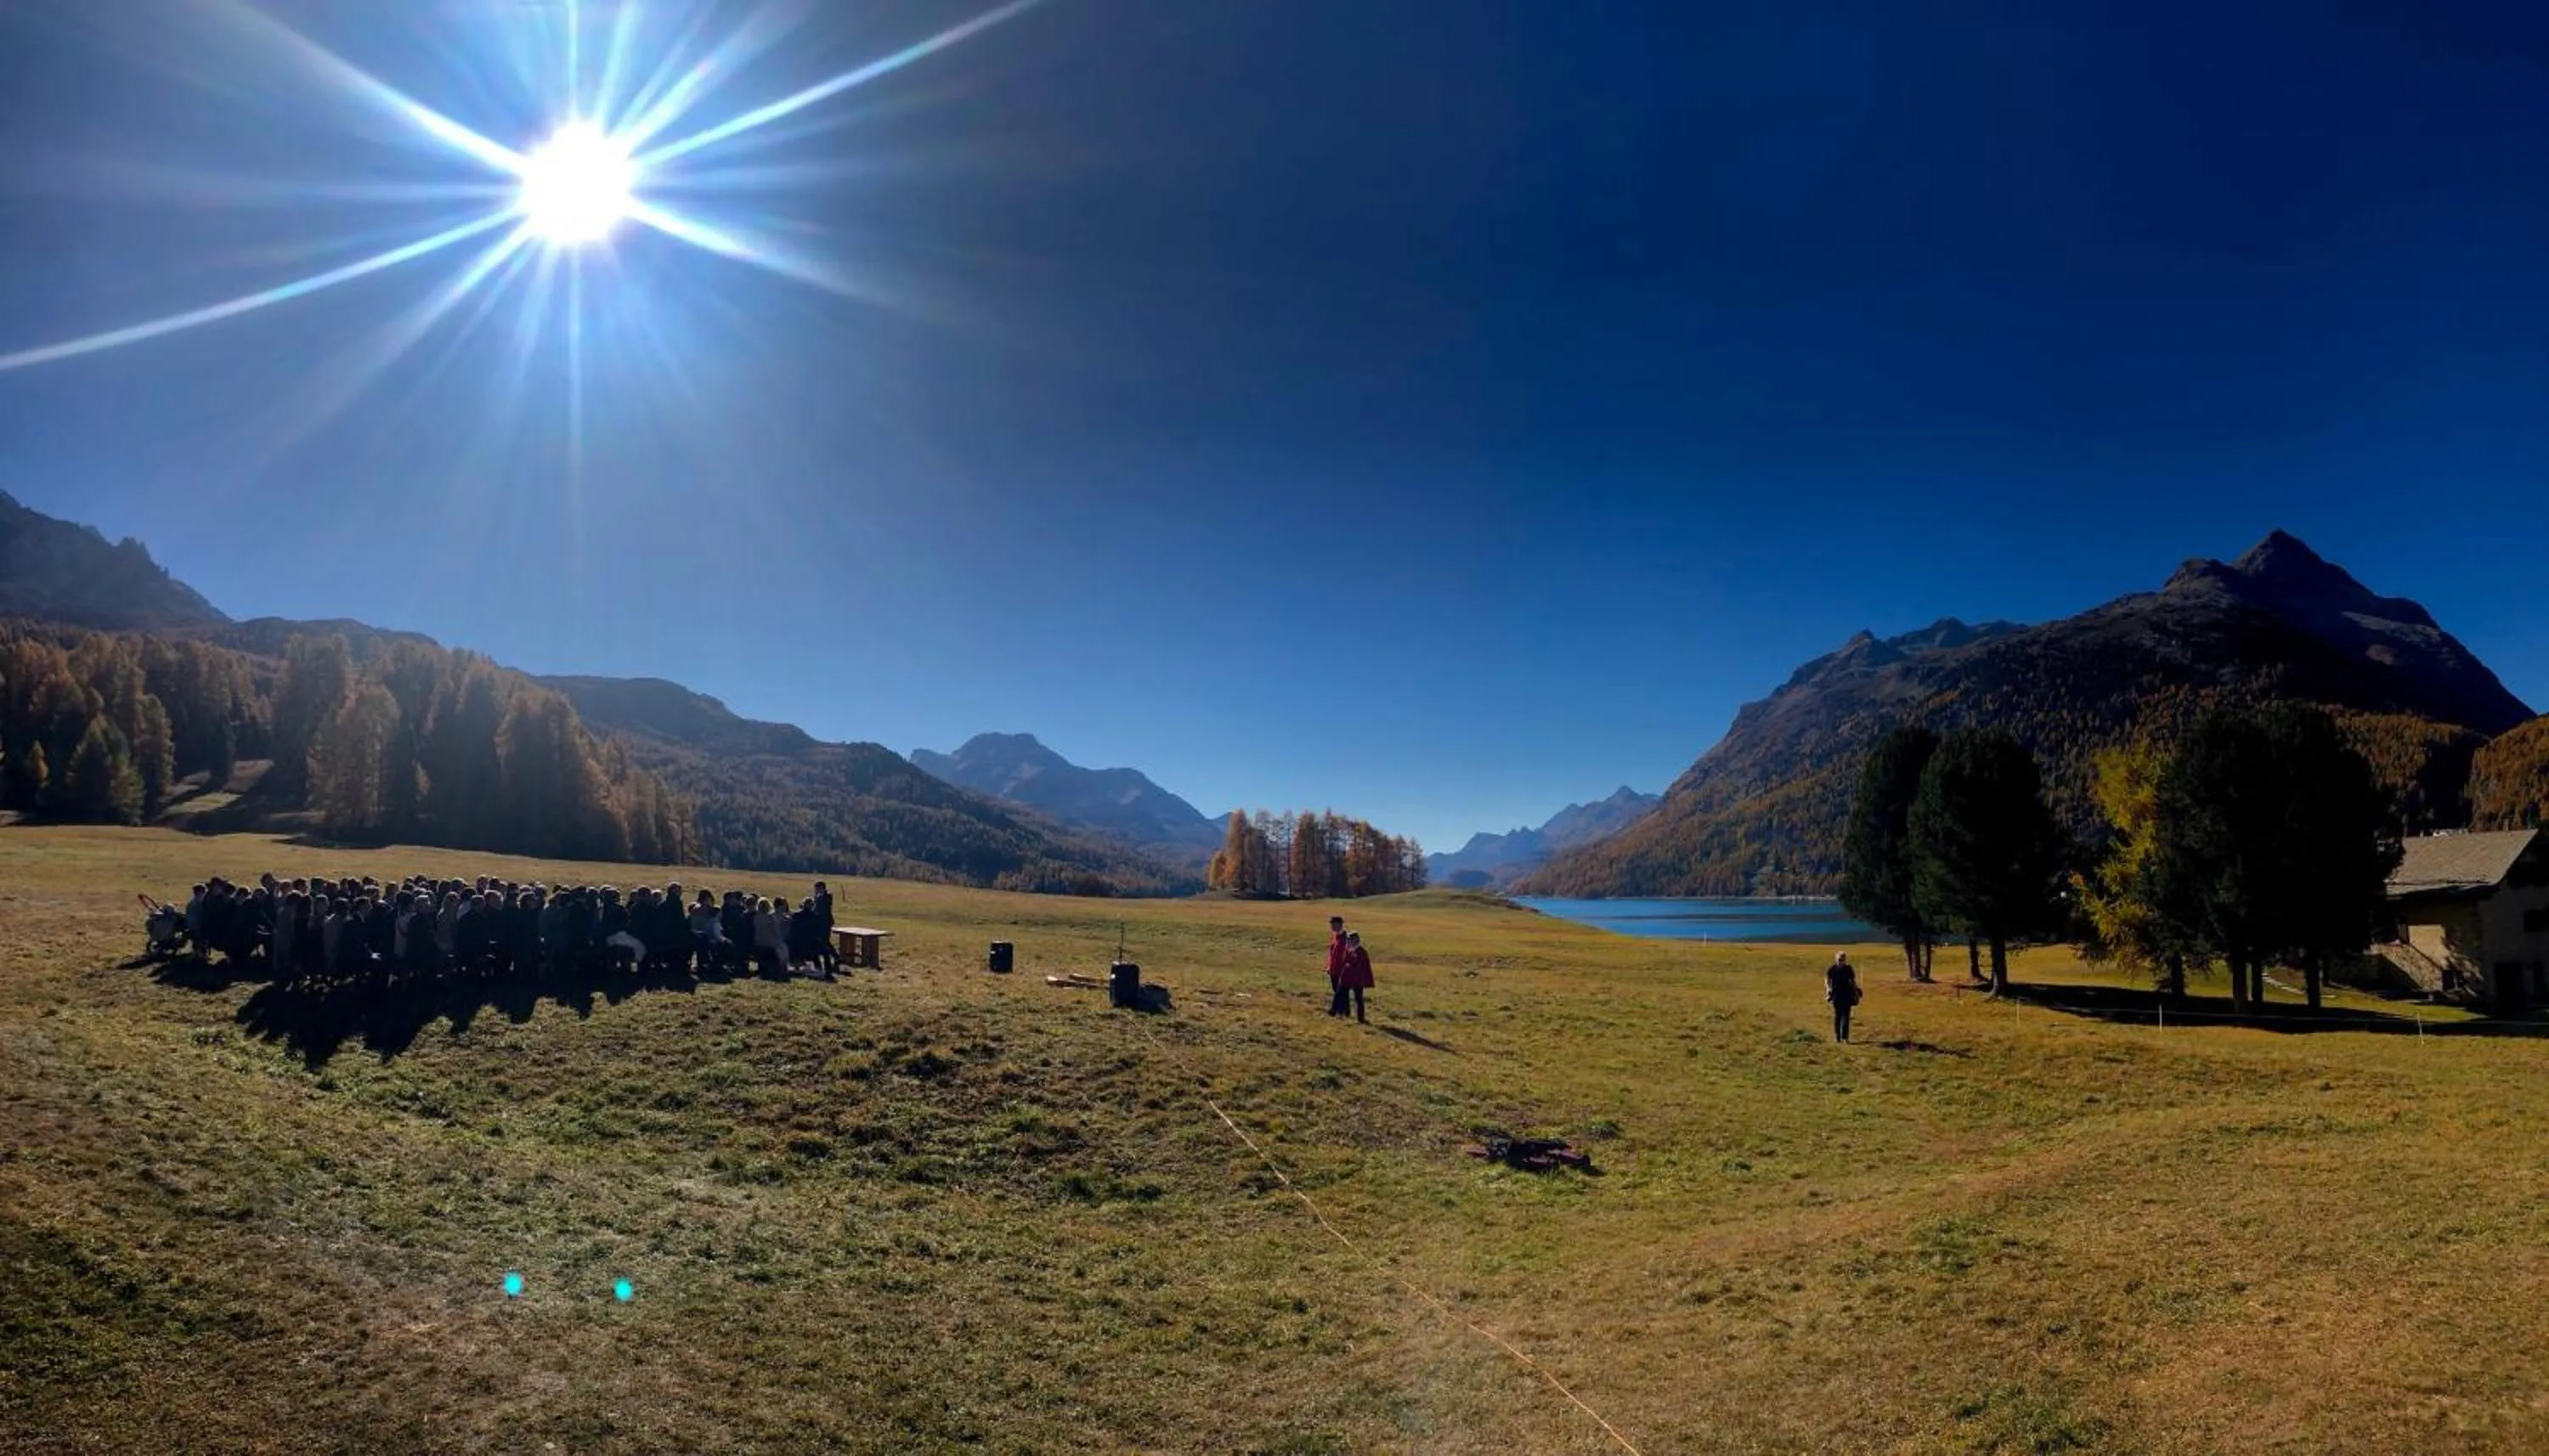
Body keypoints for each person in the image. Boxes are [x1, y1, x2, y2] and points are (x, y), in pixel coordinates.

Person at [1337, 931, 1374, 1024]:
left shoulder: (1361, 952)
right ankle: (1346, 1013)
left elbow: (1358, 967)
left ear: (1355, 941)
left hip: (1357, 980)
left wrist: (1349, 966)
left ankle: (1361, 1019)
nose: (1347, 942)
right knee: (1345, 996)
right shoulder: (1351, 950)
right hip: (1350, 979)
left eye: (1349, 940)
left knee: (1358, 999)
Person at [1825, 951, 1861, 1043]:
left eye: (1843, 959)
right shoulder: (1832, 969)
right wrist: (1828, 989)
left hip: (1847, 994)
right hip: (1836, 994)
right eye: (1839, 959)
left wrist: (1856, 989)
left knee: (1846, 1016)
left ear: (1845, 960)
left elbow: (1852, 981)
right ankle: (1837, 1037)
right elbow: (1827, 980)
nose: (1841, 961)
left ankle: (1844, 1037)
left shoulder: (1848, 969)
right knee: (1837, 1016)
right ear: (1836, 959)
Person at [1325, 915, 1351, 1017]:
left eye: (1334, 924)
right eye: (1331, 924)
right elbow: (1332, 954)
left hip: (1343, 970)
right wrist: (1329, 967)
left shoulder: (1346, 938)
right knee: (1338, 991)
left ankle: (1338, 1011)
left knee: (1341, 992)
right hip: (1333, 970)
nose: (1332, 926)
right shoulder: (1335, 936)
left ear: (1340, 925)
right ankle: (1343, 1011)